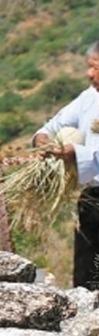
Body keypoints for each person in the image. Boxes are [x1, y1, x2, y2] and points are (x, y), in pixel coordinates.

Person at [32, 40, 99, 290]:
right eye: (89, 67)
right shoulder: (89, 98)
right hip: (93, 199)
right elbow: (53, 125)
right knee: (88, 276)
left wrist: (76, 154)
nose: (89, 73)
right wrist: (42, 139)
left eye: (95, 67)